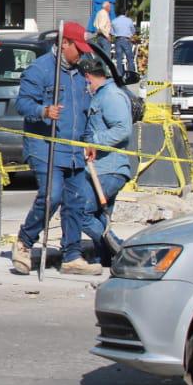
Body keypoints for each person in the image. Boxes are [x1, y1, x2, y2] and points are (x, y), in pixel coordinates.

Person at [11, 22, 98, 276]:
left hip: (73, 148)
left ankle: (71, 254)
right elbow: (22, 103)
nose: (81, 55)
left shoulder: (82, 74)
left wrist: (89, 140)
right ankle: (24, 242)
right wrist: (43, 111)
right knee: (53, 195)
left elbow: (86, 111)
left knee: (76, 201)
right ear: (64, 44)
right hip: (44, 145)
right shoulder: (40, 70)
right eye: (77, 49)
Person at [78, 52, 133, 269]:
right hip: (98, 168)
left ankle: (117, 249)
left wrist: (95, 142)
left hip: (110, 169)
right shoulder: (100, 95)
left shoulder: (111, 96)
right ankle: (108, 257)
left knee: (82, 211)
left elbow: (123, 129)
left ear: (89, 77)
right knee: (100, 216)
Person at [111, 8, 137, 81]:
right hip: (126, 40)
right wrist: (130, 34)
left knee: (118, 59)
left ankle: (120, 76)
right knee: (130, 58)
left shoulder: (114, 21)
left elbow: (112, 33)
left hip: (118, 40)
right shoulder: (129, 20)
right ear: (125, 12)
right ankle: (131, 76)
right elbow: (133, 31)